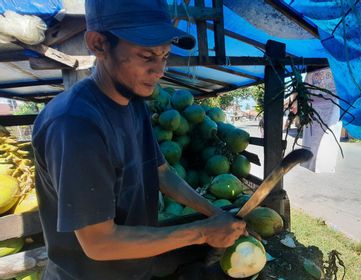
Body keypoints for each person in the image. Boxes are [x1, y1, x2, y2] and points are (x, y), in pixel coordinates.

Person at [31, 0, 246, 279]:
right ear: (98, 44)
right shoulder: (74, 124)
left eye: (165, 56)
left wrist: (214, 212)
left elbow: (161, 173)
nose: (159, 71)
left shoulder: (133, 104)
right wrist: (204, 232)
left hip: (137, 269)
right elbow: (99, 242)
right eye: (146, 56)